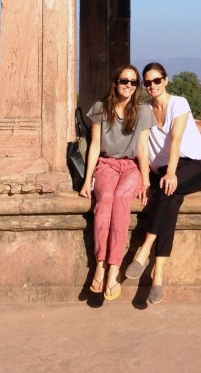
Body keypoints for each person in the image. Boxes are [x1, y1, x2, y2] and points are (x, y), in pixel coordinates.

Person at [125, 62, 201, 304]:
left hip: (194, 166)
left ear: (166, 80)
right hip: (165, 171)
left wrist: (172, 172)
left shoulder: (179, 103)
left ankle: (145, 249)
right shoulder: (144, 110)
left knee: (166, 187)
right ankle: (158, 277)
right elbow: (142, 147)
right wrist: (144, 181)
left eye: (157, 80)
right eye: (147, 82)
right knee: (170, 199)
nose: (152, 86)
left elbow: (176, 140)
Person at [79, 64, 153, 301]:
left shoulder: (142, 111)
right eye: (124, 81)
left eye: (133, 82)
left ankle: (114, 269)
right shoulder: (101, 108)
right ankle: (100, 263)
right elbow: (95, 146)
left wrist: (146, 183)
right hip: (107, 165)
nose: (128, 86)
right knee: (106, 199)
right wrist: (87, 179)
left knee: (121, 199)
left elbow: (142, 149)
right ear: (115, 83)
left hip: (131, 168)